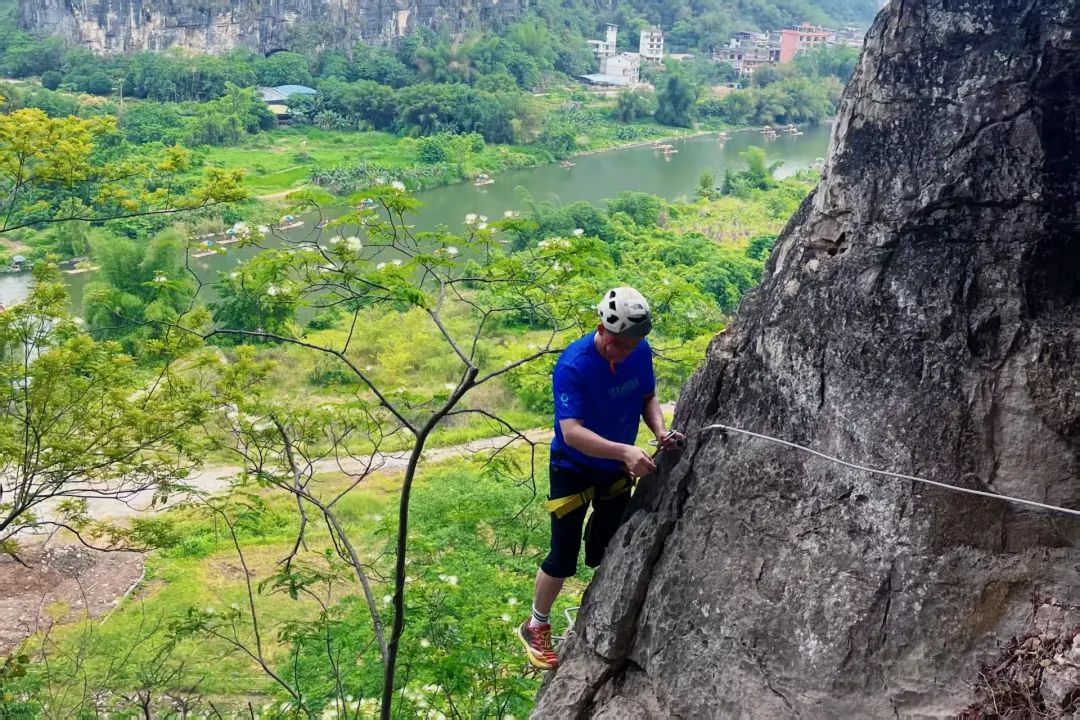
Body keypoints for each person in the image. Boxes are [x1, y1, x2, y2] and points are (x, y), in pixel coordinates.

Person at [517, 287, 683, 670]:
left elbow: (647, 396)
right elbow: (571, 432)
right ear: (601, 328)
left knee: (605, 548)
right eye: (618, 343)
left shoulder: (638, 351)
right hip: (572, 469)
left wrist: (659, 431)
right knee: (563, 556)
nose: (623, 351)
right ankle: (535, 624)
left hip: (612, 469)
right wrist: (625, 452)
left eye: (630, 345)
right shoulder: (574, 366)